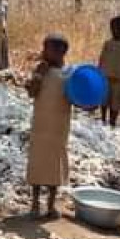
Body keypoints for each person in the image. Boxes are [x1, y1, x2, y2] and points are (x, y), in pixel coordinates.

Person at [26, 34, 73, 219]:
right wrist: (38, 76)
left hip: (59, 127)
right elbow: (31, 92)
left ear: (61, 52)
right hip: (40, 125)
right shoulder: (40, 70)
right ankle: (35, 204)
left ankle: (51, 205)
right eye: (44, 48)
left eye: (48, 49)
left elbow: (80, 98)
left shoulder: (69, 73)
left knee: (54, 165)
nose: (44, 52)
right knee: (37, 163)